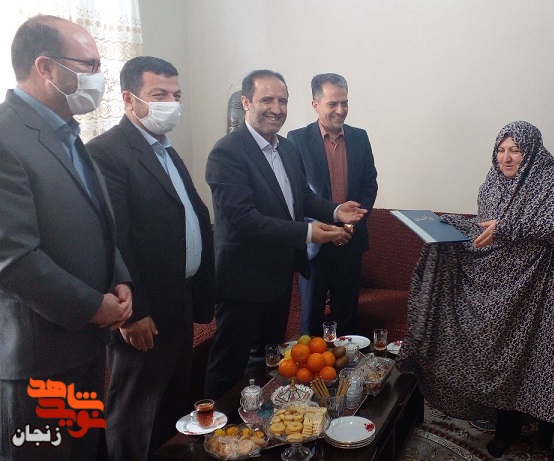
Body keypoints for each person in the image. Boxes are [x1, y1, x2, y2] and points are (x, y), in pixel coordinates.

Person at [396, 121, 554, 460]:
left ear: (531, 151)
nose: (506, 157)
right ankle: (507, 430)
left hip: (544, 293)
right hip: (506, 292)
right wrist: (451, 227)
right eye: (501, 150)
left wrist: (509, 226)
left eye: (515, 150)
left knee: (546, 362)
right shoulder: (492, 183)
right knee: (508, 359)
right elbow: (486, 232)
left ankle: (550, 435)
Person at [0, 15, 132, 460]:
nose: (98, 77)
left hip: (87, 347)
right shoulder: (5, 137)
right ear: (46, 67)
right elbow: (14, 259)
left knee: (87, 451)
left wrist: (119, 278)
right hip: (40, 359)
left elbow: (99, 222)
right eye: (89, 65)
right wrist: (93, 306)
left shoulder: (69, 132)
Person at [204, 70, 366, 399]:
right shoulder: (227, 152)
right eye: (267, 100)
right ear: (246, 102)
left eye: (283, 100)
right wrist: (308, 232)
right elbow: (244, 219)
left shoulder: (287, 148)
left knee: (271, 359)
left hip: (279, 276)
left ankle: (262, 416)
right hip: (242, 279)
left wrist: (336, 211)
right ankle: (217, 425)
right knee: (229, 366)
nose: (277, 108)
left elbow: (302, 198)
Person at [86, 56, 216, 459]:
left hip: (179, 299)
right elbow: (112, 240)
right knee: (136, 413)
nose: (171, 104)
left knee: (173, 407)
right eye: (159, 95)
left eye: (176, 95)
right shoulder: (106, 152)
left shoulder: (165, 150)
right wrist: (134, 312)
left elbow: (187, 216)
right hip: (144, 311)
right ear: (129, 99)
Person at [287, 73, 378, 336]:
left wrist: (349, 225)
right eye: (333, 104)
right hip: (315, 245)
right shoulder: (296, 140)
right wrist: (328, 230)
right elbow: (297, 194)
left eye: (344, 103)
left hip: (351, 241)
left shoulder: (360, 137)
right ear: (315, 105)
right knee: (310, 322)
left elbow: (369, 186)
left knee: (347, 322)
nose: (340, 110)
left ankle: (349, 364)